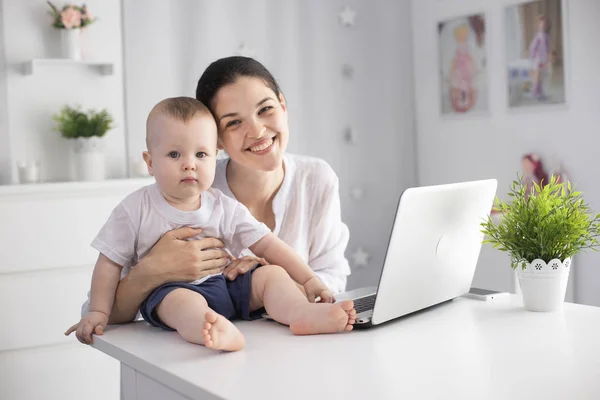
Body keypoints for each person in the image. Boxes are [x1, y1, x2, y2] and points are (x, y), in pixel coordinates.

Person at [75, 56, 352, 335]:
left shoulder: (305, 181)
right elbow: (104, 299)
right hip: (180, 307)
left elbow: (323, 274)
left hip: (262, 327)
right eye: (234, 123)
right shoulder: (158, 200)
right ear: (218, 139)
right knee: (181, 301)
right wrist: (153, 270)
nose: (256, 130)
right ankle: (210, 329)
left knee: (271, 274)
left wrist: (296, 281)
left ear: (282, 104)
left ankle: (301, 315)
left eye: (265, 109)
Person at [529, 15, 551, 100]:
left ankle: (540, 91)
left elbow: (548, 48)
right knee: (537, 75)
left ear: (547, 26)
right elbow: (533, 47)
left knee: (541, 76)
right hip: (538, 59)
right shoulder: (538, 36)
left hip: (543, 59)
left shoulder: (546, 36)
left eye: (545, 25)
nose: (543, 26)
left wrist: (548, 59)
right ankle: (534, 92)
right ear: (539, 25)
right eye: (541, 24)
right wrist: (532, 56)